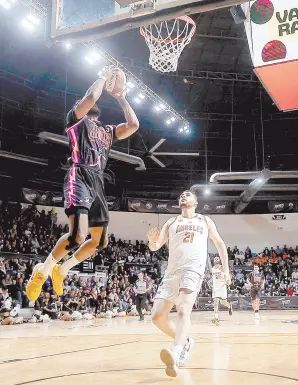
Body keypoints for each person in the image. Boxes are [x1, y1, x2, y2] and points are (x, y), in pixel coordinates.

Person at [25, 67, 139, 302]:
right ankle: (42, 271)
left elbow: (133, 125)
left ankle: (62, 270)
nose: (89, 103)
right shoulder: (75, 121)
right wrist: (103, 76)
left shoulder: (107, 131)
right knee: (78, 235)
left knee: (100, 242)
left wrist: (121, 98)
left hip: (98, 181)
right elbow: (91, 97)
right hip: (79, 175)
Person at [147, 190, 230, 378]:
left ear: (196, 202)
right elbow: (155, 246)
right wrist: (152, 241)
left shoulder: (205, 221)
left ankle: (176, 352)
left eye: (187, 195)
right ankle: (185, 341)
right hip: (171, 272)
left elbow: (220, 244)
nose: (183, 197)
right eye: (181, 196)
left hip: (193, 270)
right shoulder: (171, 222)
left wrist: (226, 270)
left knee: (184, 309)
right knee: (157, 317)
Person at [211, 256, 233, 325]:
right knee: (216, 302)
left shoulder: (222, 268)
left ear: (219, 262)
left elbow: (229, 275)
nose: (216, 264)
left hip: (222, 287)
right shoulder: (212, 269)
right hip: (215, 288)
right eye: (215, 263)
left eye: (217, 263)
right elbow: (214, 278)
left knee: (224, 303)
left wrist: (228, 281)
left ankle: (229, 307)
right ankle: (216, 318)